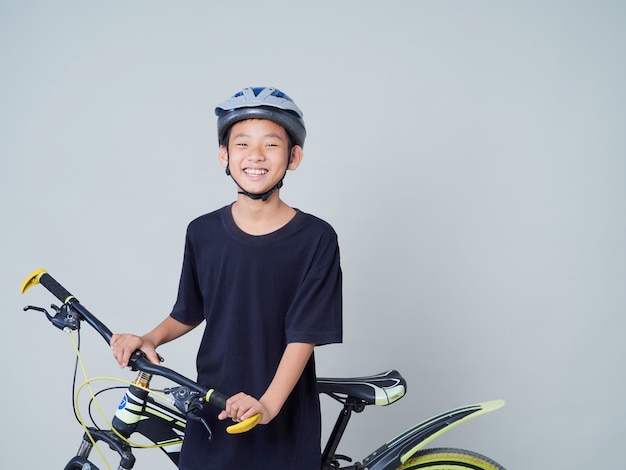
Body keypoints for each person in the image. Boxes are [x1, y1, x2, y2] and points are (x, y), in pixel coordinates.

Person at [110, 86, 343, 469]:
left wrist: (267, 404)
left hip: (281, 412)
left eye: (271, 144)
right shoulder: (202, 232)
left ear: (294, 157)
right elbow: (189, 310)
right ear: (224, 155)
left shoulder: (316, 238)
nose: (255, 155)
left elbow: (305, 334)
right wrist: (148, 338)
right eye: (242, 144)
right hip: (213, 406)